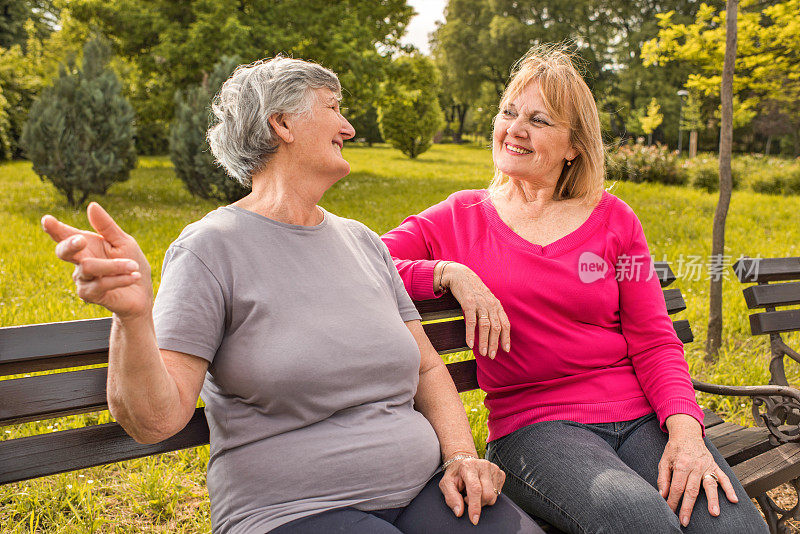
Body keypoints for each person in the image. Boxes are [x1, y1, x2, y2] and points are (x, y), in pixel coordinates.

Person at [41, 57, 542, 534]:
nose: (348, 128)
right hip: (291, 509)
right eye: (333, 107)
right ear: (281, 123)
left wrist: (460, 457)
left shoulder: (364, 242)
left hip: (424, 491)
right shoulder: (209, 248)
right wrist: (132, 317)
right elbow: (158, 419)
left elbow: (427, 369)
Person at [382, 45, 768, 534]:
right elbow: (366, 263)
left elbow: (654, 339)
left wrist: (686, 432)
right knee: (642, 523)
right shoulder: (458, 216)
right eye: (509, 112)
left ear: (574, 146)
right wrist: (446, 273)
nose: (515, 129)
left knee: (734, 528)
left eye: (539, 120)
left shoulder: (614, 220)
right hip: (536, 428)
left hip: (641, 416)